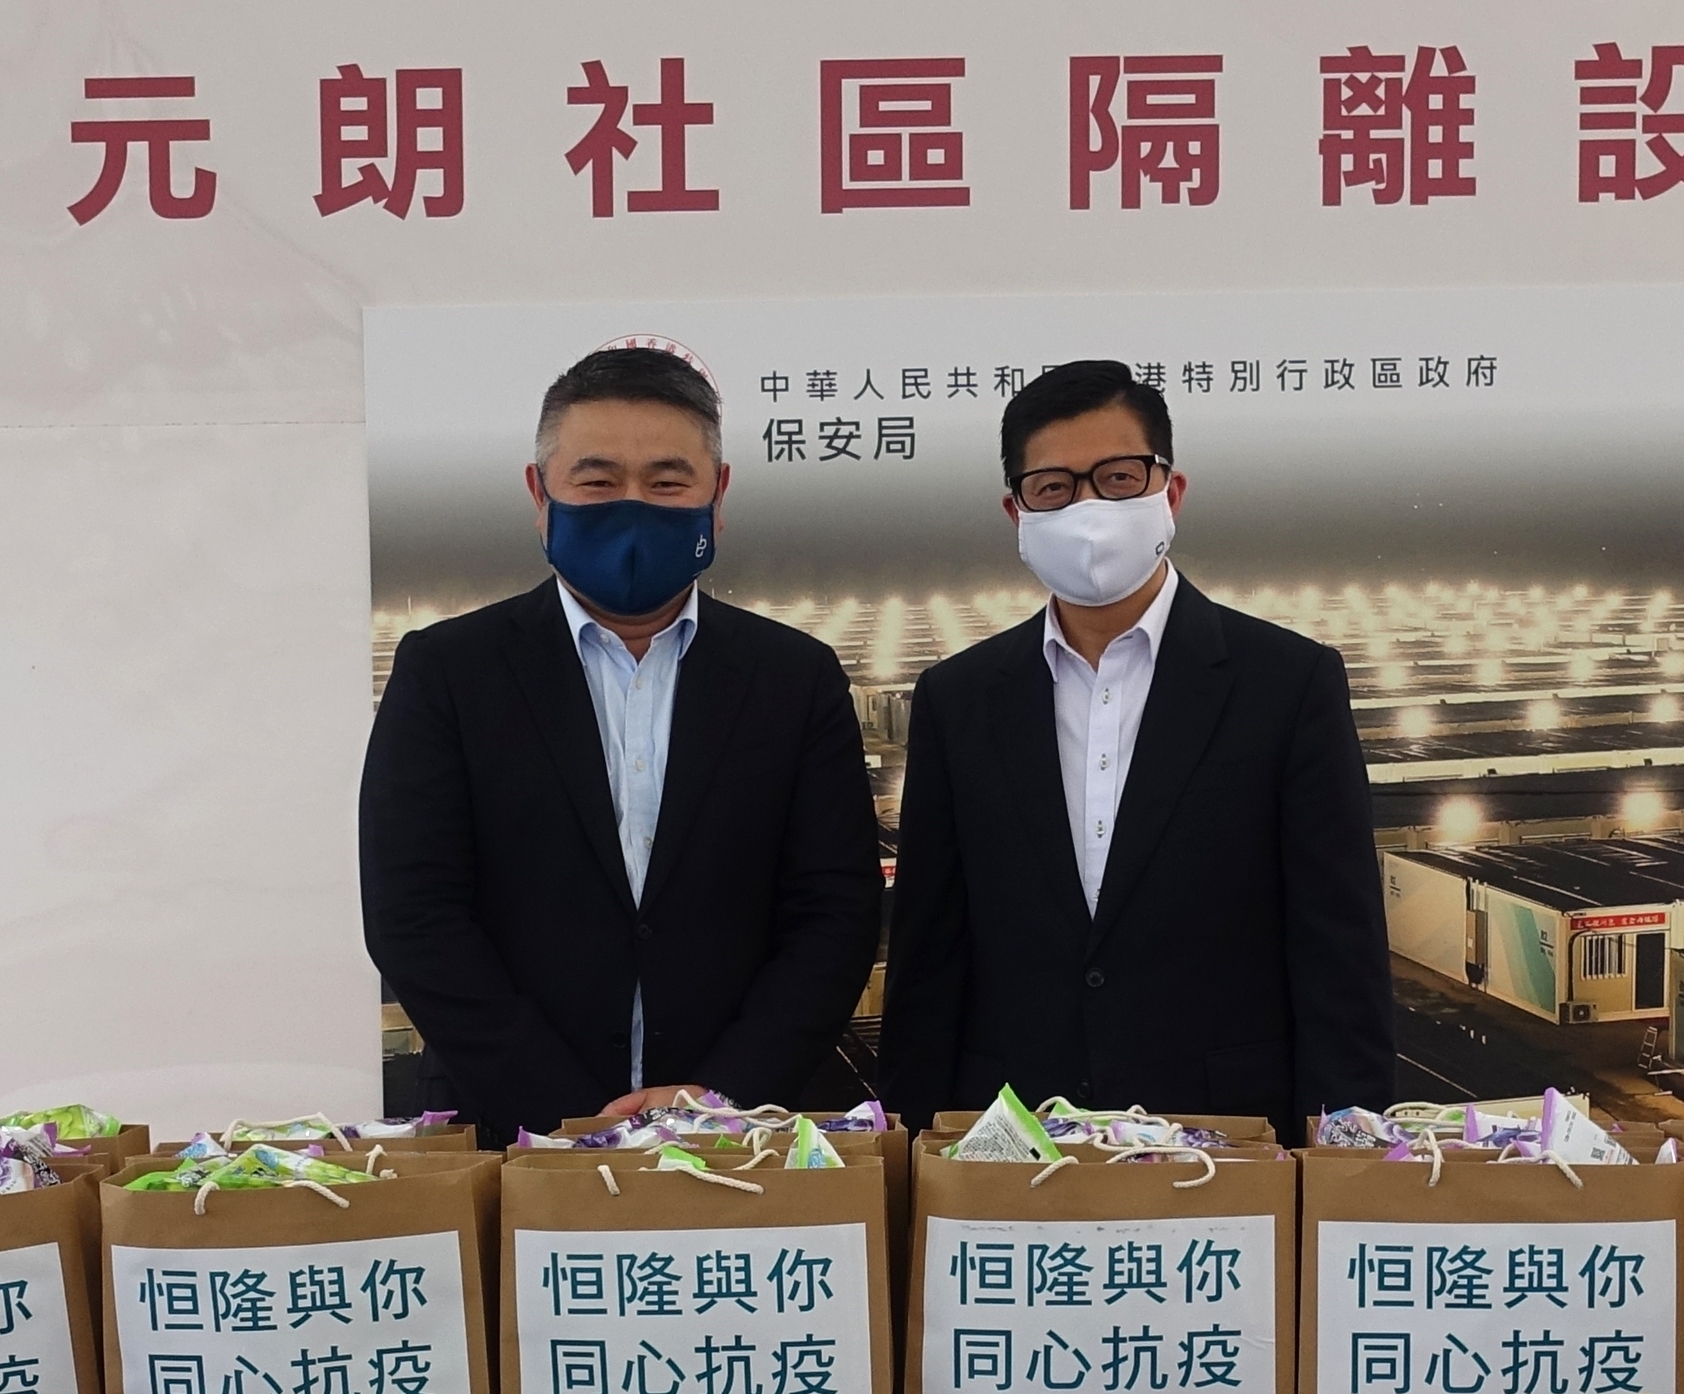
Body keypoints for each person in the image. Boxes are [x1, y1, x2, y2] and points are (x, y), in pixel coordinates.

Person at [360, 345, 882, 1143]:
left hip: (746, 1136)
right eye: (598, 481)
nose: (632, 507)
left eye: (668, 482)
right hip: (512, 1134)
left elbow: (835, 914)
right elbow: (414, 915)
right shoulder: (449, 672)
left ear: (718, 495)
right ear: (540, 494)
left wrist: (721, 1099)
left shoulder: (792, 678)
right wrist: (570, 1118)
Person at [879, 359, 1392, 1133]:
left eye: (1118, 477)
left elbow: (1339, 952)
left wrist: (1343, 1160)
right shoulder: (960, 699)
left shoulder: (1286, 685)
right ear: (1017, 512)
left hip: (1228, 1143)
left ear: (1170, 492)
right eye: (1054, 487)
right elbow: (929, 954)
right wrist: (912, 1154)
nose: (1088, 508)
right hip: (1013, 1146)